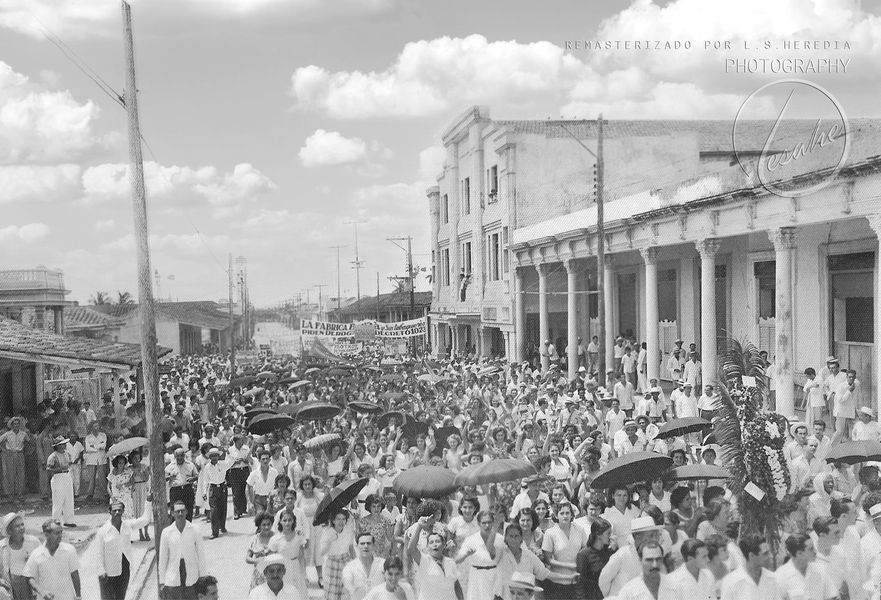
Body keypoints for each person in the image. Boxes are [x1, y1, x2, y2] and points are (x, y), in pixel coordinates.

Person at [96, 497, 153, 600]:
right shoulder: (103, 531)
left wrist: (148, 502)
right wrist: (101, 571)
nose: (117, 512)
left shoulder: (127, 525)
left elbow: (145, 520)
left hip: (124, 570)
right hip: (108, 573)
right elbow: (99, 553)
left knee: (120, 598)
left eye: (119, 510)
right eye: (114, 510)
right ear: (110, 512)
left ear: (123, 511)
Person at [599, 515, 662, 597]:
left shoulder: (655, 556)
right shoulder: (623, 554)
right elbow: (604, 579)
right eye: (651, 536)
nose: (655, 539)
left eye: (656, 535)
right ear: (637, 537)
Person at [158, 501, 207, 600]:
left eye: (182, 511)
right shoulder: (167, 532)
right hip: (173, 576)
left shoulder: (195, 529)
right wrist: (162, 581)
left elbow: (201, 555)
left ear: (186, 512)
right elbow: (163, 558)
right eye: (177, 511)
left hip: (191, 575)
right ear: (172, 513)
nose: (180, 514)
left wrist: (203, 577)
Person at [22, 520, 80, 600]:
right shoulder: (36, 554)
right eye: (57, 533)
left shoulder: (69, 550)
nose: (60, 536)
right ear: (46, 534)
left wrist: (78, 596)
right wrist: (42, 591)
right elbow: (29, 577)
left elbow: (75, 574)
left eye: (61, 532)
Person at [406, 520, 458, 600]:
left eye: (437, 541)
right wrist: (419, 527)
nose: (435, 544)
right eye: (431, 542)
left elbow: (456, 587)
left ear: (444, 544)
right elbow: (411, 549)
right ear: (427, 546)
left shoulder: (450, 563)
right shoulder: (424, 560)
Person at [719, 533, 779, 600]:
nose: (771, 556)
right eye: (765, 553)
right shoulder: (730, 582)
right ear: (751, 556)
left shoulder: (773, 579)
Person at [0, 512, 41, 600]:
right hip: (12, 585)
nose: (21, 528)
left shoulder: (33, 542)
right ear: (9, 530)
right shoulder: (2, 546)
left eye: (22, 524)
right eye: (17, 526)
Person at [267, 511, 307, 598]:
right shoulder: (275, 539)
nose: (287, 523)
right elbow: (271, 559)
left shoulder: (299, 536)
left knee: (297, 592)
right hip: (282, 569)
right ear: (280, 522)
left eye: (290, 520)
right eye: (284, 520)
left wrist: (304, 573)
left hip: (295, 567)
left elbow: (301, 556)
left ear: (294, 521)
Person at [344, 533, 385, 600]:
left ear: (374, 546)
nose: (365, 546)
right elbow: (347, 593)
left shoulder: (383, 564)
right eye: (362, 543)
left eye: (368, 543)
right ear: (357, 546)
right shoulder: (349, 568)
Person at [46, 436, 76, 528]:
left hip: (67, 476)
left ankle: (69, 520)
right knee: (58, 500)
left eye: (64, 444)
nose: (63, 446)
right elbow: (48, 468)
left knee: (69, 499)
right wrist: (58, 469)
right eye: (61, 445)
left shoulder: (67, 454)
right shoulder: (53, 456)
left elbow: (70, 464)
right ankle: (56, 521)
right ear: (57, 446)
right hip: (58, 477)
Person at [166, 448, 198, 521]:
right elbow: (163, 478)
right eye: (178, 456)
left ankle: (188, 530)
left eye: (181, 455)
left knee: (188, 511)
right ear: (175, 456)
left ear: (184, 455)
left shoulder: (190, 465)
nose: (180, 458)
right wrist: (169, 477)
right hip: (175, 491)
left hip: (187, 490)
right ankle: (175, 531)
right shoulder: (170, 466)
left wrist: (193, 479)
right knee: (174, 512)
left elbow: (196, 475)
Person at [0, 418, 28, 504]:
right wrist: (4, 450)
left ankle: (20, 495)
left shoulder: (23, 434)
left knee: (21, 475)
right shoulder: (7, 434)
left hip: (20, 454)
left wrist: (23, 449)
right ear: (11, 425)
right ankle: (11, 496)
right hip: (10, 455)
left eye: (17, 424)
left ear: (19, 425)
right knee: (10, 475)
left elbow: (28, 442)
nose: (16, 425)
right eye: (14, 424)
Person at [246, 512, 275, 590]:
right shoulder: (254, 539)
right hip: (259, 575)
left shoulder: (276, 538)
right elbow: (247, 558)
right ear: (259, 526)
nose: (266, 527)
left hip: (275, 574)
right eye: (264, 525)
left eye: (269, 524)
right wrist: (256, 560)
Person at [247, 450, 279, 516]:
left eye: (267, 459)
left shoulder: (275, 472)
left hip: (271, 500)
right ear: (259, 460)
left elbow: (277, 486)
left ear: (270, 460)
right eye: (263, 459)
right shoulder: (254, 473)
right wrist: (250, 503)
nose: (265, 461)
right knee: (261, 520)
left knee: (271, 520)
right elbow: (249, 487)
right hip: (258, 500)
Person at [82, 421, 108, 502]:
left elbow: (104, 446)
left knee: (102, 477)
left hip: (101, 458)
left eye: (97, 426)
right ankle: (90, 494)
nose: (96, 428)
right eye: (94, 426)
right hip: (91, 459)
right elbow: (87, 448)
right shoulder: (88, 437)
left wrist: (94, 446)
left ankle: (105, 493)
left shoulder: (103, 435)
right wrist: (98, 447)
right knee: (91, 478)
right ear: (91, 428)